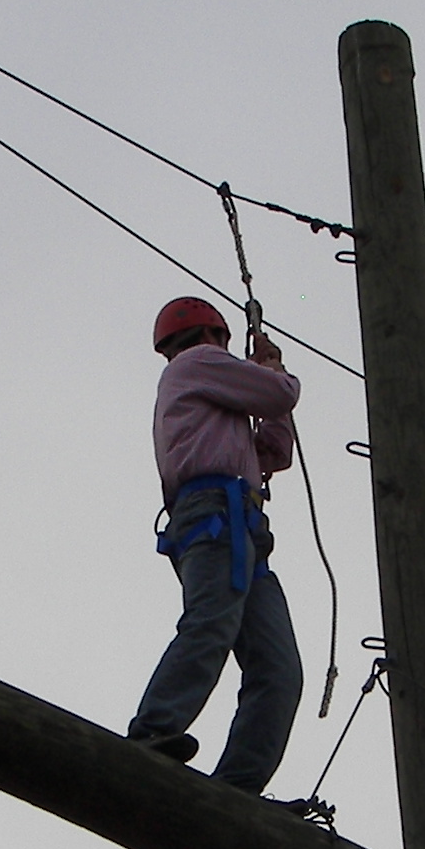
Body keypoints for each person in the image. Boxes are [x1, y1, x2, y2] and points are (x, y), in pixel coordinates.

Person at [125, 294, 305, 797]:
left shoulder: (207, 386)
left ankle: (239, 786)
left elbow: (274, 450)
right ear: (215, 335)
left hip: (240, 527)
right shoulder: (197, 363)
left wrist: (266, 379)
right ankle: (154, 728)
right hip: (214, 516)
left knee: (279, 667)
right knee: (211, 624)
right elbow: (280, 393)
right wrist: (270, 368)